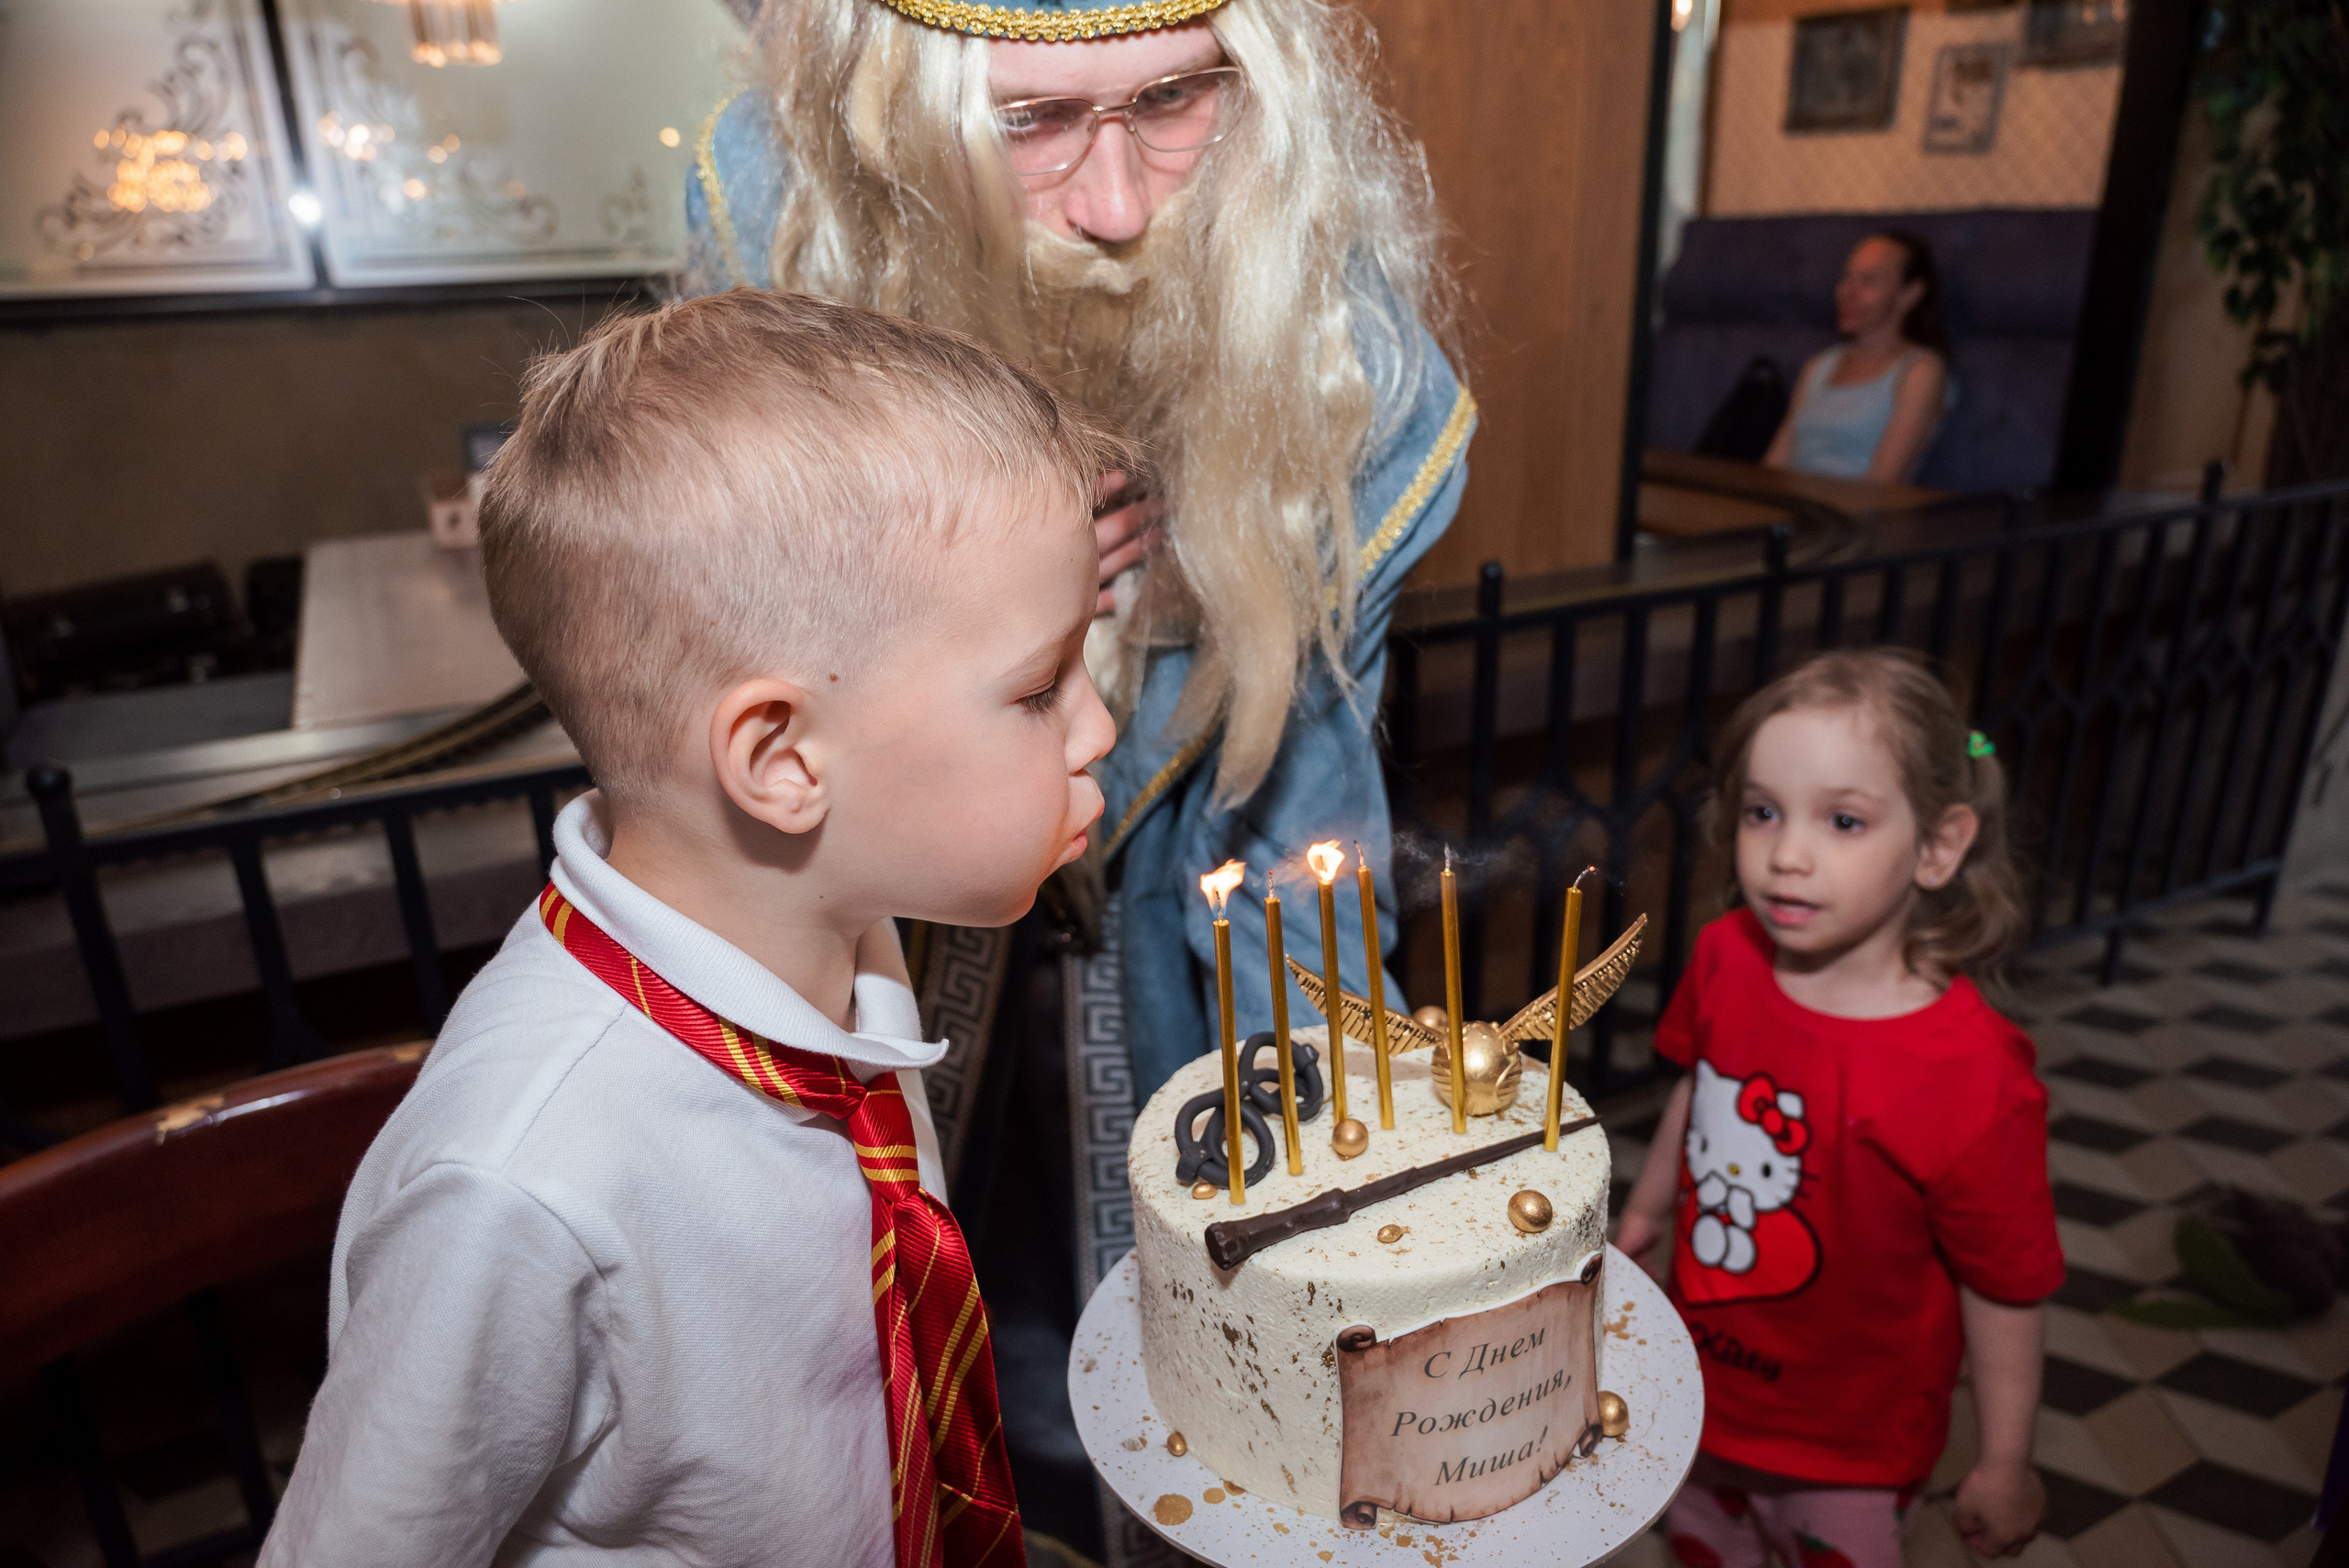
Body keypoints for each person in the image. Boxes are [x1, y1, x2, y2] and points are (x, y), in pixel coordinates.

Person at [259, 290, 1128, 1566]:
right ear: (779, 760)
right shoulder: (521, 1186)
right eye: (1043, 686)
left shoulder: (831, 926)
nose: (1099, 727)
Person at [687, 0, 1472, 1097]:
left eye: (1172, 96)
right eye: (1029, 120)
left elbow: (1295, 861)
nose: (1115, 206)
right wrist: (938, 565)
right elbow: (700, 693)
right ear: (896, 114)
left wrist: (1337, 1165)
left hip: (1152, 967)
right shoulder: (781, 216)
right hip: (864, 958)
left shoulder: (1343, 361)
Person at [1613, 650, 2060, 1568]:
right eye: (1761, 810)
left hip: (1849, 1444)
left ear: (1938, 846)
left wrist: (2006, 1458)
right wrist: (1646, 1214)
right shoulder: (1725, 954)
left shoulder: (1969, 1073)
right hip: (1699, 1388)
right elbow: (1699, 1089)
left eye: (1844, 819)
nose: (1786, 853)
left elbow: (2004, 1283)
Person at [1764, 231, 1953, 484]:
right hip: (1792, 512)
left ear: (1910, 294)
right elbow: (1774, 467)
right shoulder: (1819, 365)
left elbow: (1882, 484)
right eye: (1846, 278)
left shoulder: (1920, 371)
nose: (1848, 293)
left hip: (1854, 517)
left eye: (1869, 281)